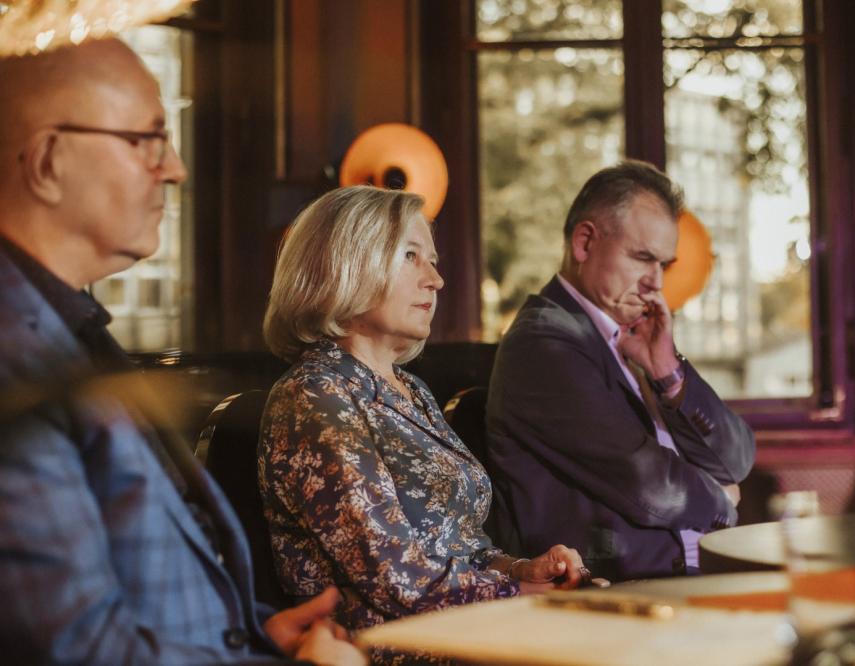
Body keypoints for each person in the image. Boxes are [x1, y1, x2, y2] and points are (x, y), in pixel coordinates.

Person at [0, 38, 363, 665]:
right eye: (147, 139)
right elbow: (75, 647)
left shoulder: (68, 324)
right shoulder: (14, 358)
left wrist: (256, 635)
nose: (175, 168)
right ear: (49, 162)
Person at [259, 185, 588, 638]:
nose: (436, 279)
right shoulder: (313, 396)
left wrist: (521, 570)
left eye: (432, 261)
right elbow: (395, 579)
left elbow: (461, 547)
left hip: (460, 626)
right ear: (346, 263)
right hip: (383, 644)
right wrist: (522, 597)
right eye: (410, 256)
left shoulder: (411, 388)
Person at [486, 160, 756, 581]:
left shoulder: (634, 337)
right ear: (585, 243)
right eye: (642, 258)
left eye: (664, 264)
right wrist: (722, 502)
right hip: (619, 589)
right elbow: (650, 484)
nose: (656, 283)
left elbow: (737, 458)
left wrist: (668, 372)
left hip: (688, 575)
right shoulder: (543, 342)